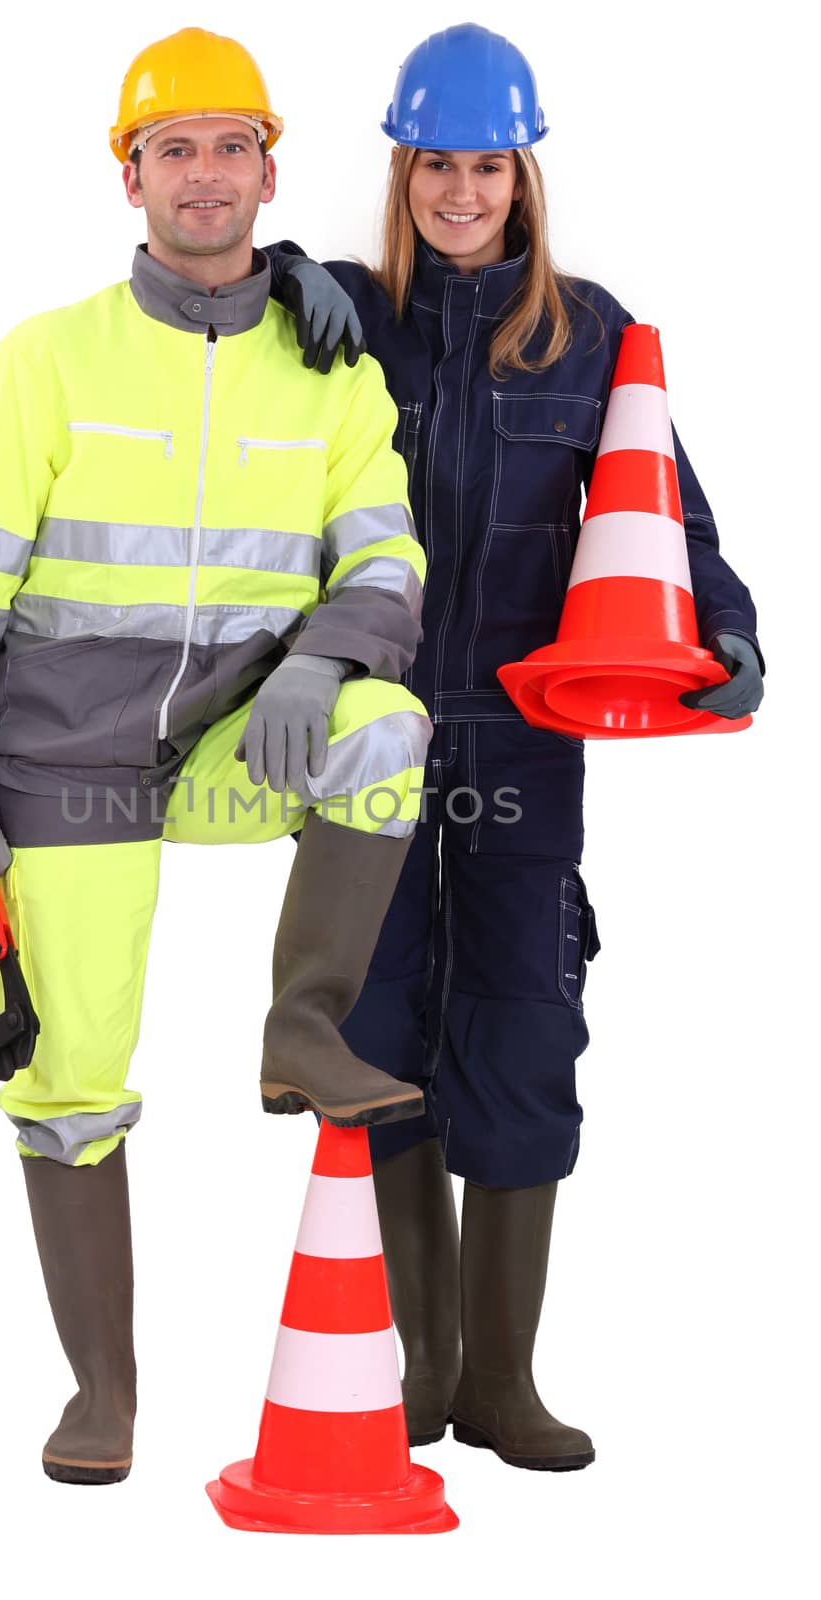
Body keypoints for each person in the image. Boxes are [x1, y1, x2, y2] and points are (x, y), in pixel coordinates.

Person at [0, 26, 432, 1485]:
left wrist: (324, 657)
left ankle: (302, 1027)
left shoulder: (329, 369)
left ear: (272, 167)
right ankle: (103, 1392)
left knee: (390, 729)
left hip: (229, 746)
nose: (206, 176)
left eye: (231, 147)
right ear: (128, 177)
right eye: (175, 150)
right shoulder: (49, 355)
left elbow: (388, 559)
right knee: (68, 1074)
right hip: (59, 759)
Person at [266, 22, 764, 1471]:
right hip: (373, 732)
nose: (463, 190)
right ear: (403, 169)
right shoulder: (346, 314)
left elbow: (668, 515)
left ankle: (503, 1384)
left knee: (524, 1024)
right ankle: (418, 1377)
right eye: (437, 164)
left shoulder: (594, 332)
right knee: (376, 1028)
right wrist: (281, 278)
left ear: (525, 175)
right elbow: (226, 404)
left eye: (488, 164)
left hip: (529, 742)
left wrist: (727, 643)